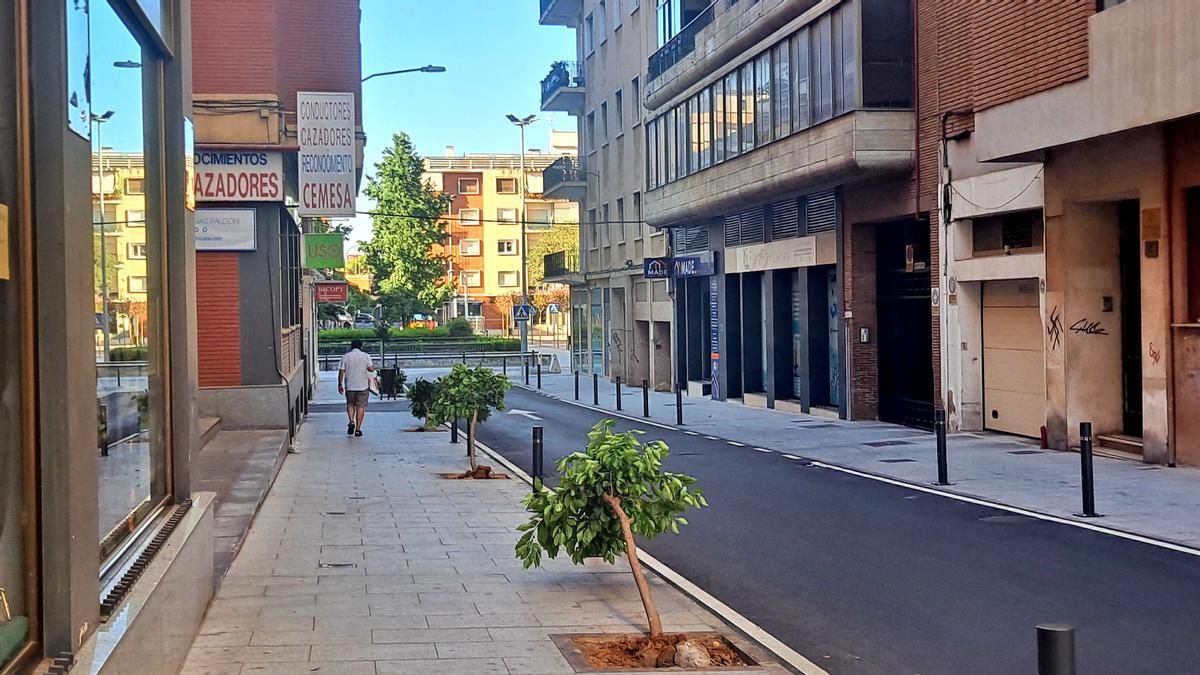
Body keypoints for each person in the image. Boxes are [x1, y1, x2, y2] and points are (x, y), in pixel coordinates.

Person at [338, 339, 375, 437]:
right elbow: (371, 369)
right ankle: (358, 429)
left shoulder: (345, 357)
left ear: (351, 346)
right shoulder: (366, 356)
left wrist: (340, 384)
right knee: (361, 407)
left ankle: (351, 421)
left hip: (350, 386)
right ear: (361, 346)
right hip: (362, 386)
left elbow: (341, 371)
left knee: (350, 404)